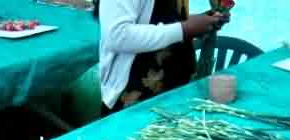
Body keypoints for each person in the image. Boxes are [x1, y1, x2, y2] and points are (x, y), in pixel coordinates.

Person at [94, 0, 229, 116]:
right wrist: (184, 28)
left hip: (176, 86)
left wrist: (199, 24)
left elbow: (162, 17)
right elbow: (117, 36)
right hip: (137, 93)